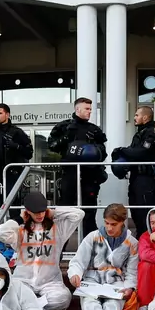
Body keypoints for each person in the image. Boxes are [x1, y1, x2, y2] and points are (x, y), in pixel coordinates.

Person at [0, 191, 82, 310]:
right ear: (28, 211)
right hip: (23, 281)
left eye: (42, 211)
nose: (40, 215)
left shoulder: (58, 228)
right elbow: (0, 233)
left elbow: (78, 214)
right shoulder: (20, 229)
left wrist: (53, 212)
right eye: (36, 212)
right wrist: (19, 220)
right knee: (8, 297)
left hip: (50, 282)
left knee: (63, 298)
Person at [67, 204, 138, 310]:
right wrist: (75, 275)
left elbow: (132, 271)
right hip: (92, 280)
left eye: (113, 224)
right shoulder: (92, 237)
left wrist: (129, 288)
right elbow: (78, 261)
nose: (109, 227)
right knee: (90, 304)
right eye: (106, 223)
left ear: (122, 222)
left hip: (116, 283)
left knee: (112, 306)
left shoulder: (132, 243)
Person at [47, 97, 107, 235]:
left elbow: (103, 153)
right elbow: (52, 146)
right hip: (69, 174)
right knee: (64, 212)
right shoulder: (63, 127)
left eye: (90, 109)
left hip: (90, 176)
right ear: (77, 109)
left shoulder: (94, 130)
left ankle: (91, 249)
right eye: (87, 109)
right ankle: (59, 249)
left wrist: (93, 151)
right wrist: (67, 137)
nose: (89, 112)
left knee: (89, 213)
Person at [0, 103, 33, 225]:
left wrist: (16, 146)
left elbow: (29, 153)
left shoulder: (17, 132)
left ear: (7, 114)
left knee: (13, 208)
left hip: (11, 174)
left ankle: (15, 239)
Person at [113, 105, 155, 235]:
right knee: (136, 213)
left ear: (145, 117)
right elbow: (132, 154)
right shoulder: (139, 133)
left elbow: (143, 153)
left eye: (137, 115)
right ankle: (142, 243)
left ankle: (148, 244)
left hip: (146, 179)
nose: (134, 118)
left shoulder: (153, 132)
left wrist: (122, 150)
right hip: (136, 178)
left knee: (145, 215)